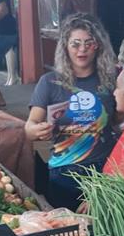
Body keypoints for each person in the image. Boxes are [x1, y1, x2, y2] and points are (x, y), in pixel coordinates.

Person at [25, 13, 118, 210]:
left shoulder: (112, 81)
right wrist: (38, 130)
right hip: (63, 174)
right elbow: (29, 127)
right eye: (75, 44)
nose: (82, 50)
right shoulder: (49, 82)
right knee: (68, 232)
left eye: (89, 43)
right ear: (65, 46)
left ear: (98, 45)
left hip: (103, 173)